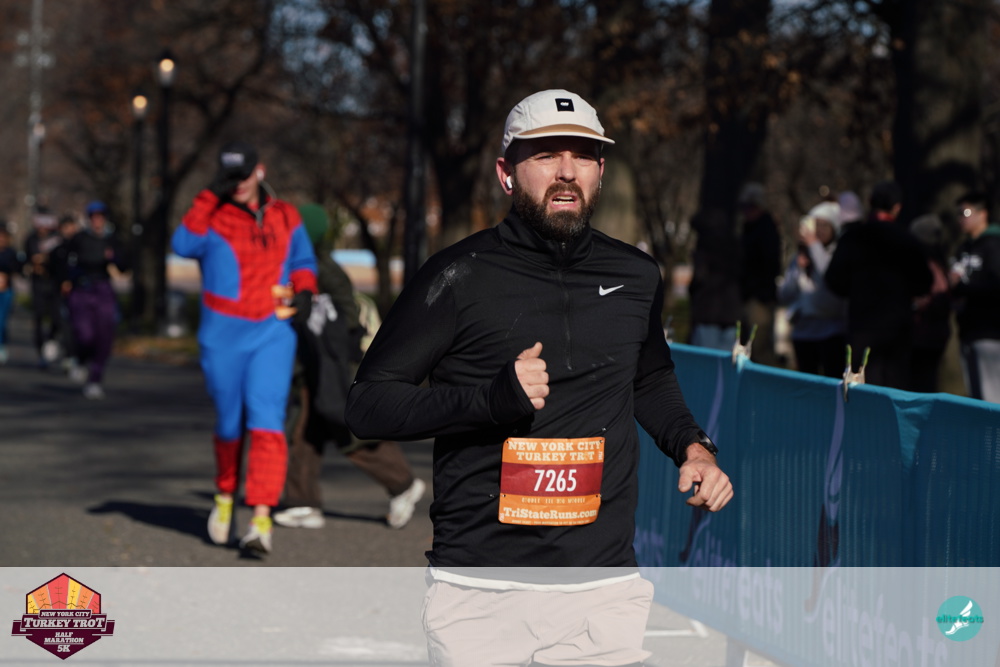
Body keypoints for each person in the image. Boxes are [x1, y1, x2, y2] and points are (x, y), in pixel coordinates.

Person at [346, 89, 733, 667]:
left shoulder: (636, 275)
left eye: (583, 155)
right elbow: (367, 405)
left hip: (602, 585)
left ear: (600, 171)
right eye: (547, 154)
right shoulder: (457, 276)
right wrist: (489, 399)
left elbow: (648, 380)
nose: (567, 171)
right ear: (507, 173)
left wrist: (694, 449)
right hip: (482, 586)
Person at [172, 141, 318, 556]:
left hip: (273, 330)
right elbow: (182, 244)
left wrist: (305, 290)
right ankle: (224, 495)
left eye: (243, 174)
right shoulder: (212, 215)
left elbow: (303, 261)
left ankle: (260, 520)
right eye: (229, 175)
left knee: (267, 418)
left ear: (260, 171)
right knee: (230, 425)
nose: (237, 183)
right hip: (222, 336)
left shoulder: (286, 214)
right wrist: (209, 194)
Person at [275, 203, 425, 531]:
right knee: (305, 430)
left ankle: (402, 483)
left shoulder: (322, 269)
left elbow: (347, 317)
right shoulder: (302, 265)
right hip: (312, 366)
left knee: (347, 431)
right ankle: (302, 502)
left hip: (331, 366)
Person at [824, 181, 932, 390]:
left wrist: (856, 292)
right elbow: (924, 282)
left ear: (869, 202)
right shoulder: (906, 240)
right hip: (897, 326)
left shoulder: (853, 238)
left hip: (863, 324)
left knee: (862, 387)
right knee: (894, 388)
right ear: (897, 207)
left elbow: (833, 278)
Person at [58, 202, 127, 399]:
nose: (97, 220)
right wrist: (67, 280)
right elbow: (64, 261)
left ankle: (95, 379)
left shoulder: (113, 239)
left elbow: (124, 265)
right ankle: (80, 359)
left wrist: (113, 257)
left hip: (103, 288)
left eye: (101, 216)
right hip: (82, 288)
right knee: (84, 333)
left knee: (104, 335)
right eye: (94, 216)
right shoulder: (79, 238)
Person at [777, 201, 848, 378]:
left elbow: (830, 277)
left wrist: (815, 246)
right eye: (817, 225)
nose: (820, 230)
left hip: (831, 331)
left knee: (831, 381)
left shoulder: (837, 254)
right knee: (807, 383)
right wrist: (798, 269)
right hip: (803, 332)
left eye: (825, 225)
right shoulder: (801, 257)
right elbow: (784, 295)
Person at [949, 191, 1000, 403]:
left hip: (991, 333)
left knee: (992, 400)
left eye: (966, 212)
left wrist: (962, 288)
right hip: (967, 330)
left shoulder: (994, 245)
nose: (961, 218)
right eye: (959, 213)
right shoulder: (964, 247)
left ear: (983, 213)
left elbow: (995, 286)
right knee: (976, 401)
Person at [737, 182, 782, 365]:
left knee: (759, 347)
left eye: (750, 206)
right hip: (748, 295)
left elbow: (770, 264)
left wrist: (758, 291)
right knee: (746, 347)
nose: (746, 211)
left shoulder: (766, 229)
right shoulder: (747, 228)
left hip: (760, 298)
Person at [908, 213, 952, 393]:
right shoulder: (939, 263)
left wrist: (914, 306)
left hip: (924, 336)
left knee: (922, 388)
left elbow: (938, 297)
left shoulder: (929, 265)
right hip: (930, 335)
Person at [687, 208, 742, 351]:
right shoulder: (735, 246)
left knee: (706, 358)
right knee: (726, 359)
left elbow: (700, 278)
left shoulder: (704, 249)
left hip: (707, 313)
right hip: (731, 313)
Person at [22, 208, 64, 368]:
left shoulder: (57, 240)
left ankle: (51, 340)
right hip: (38, 283)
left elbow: (59, 259)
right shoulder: (31, 239)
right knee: (39, 316)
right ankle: (41, 352)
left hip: (53, 282)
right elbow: (28, 259)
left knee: (57, 317)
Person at [0, 221, 24, 365]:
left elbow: (17, 269)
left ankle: (2, 344)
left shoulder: (11, 253)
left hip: (6, 291)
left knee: (2, 320)